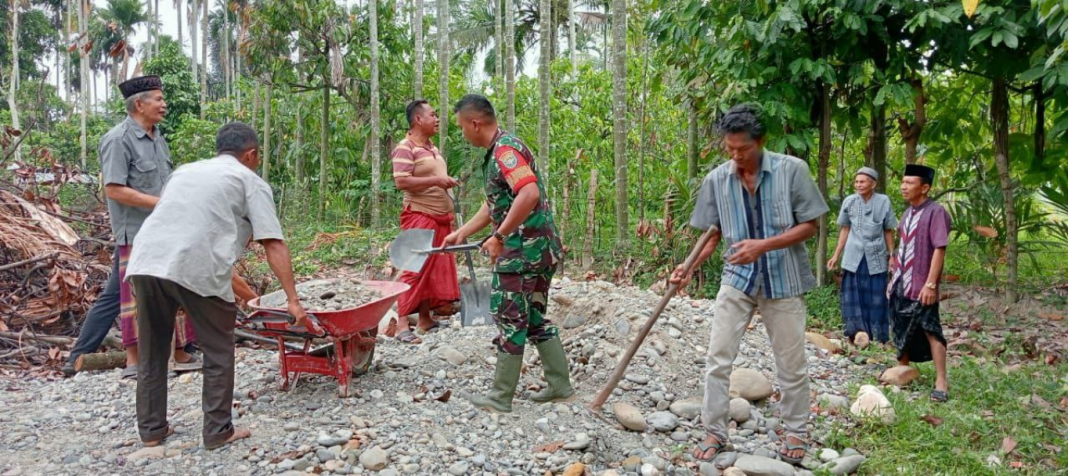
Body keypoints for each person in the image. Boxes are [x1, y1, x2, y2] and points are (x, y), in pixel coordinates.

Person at [125, 122, 310, 449]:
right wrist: (293, 301)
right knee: (218, 349)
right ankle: (217, 431)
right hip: (195, 264)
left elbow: (195, 233)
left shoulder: (184, 172)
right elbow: (274, 244)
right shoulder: (249, 181)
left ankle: (152, 430)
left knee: (153, 350)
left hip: (146, 260)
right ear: (251, 154)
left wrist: (252, 297)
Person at [669, 104, 828, 464]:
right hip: (737, 279)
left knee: (791, 364)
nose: (737, 156)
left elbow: (811, 226)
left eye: (743, 148)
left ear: (761, 141)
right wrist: (688, 266)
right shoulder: (717, 180)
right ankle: (714, 432)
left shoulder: (792, 171)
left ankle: (796, 434)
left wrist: (763, 245)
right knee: (717, 358)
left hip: (783, 280)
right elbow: (711, 235)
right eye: (730, 149)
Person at [62, 75, 199, 378]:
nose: (165, 104)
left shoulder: (158, 137)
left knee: (130, 293)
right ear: (139, 104)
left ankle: (80, 357)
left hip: (163, 231)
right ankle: (131, 361)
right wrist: (161, 204)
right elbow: (114, 189)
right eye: (159, 99)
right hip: (136, 234)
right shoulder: (117, 140)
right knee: (132, 298)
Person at [443, 94, 572, 412]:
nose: (462, 134)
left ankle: (501, 397)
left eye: (462, 127)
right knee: (531, 317)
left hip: (522, 252)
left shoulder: (504, 151)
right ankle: (559, 385)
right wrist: (463, 232)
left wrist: (498, 236)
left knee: (509, 317)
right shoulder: (503, 148)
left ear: (475, 123)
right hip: (539, 249)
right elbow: (496, 203)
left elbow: (528, 192)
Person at [389, 100, 461, 344]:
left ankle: (425, 318)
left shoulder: (432, 147)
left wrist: (445, 181)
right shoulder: (405, 147)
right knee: (414, 267)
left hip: (440, 217)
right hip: (420, 214)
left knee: (431, 270)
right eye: (433, 114)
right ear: (418, 119)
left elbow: (435, 176)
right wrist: (436, 182)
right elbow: (401, 181)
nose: (437, 118)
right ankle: (400, 324)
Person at [888, 164, 951, 402]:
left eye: (909, 183)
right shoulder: (907, 214)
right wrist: (893, 276)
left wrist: (931, 284)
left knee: (931, 329)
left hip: (922, 284)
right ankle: (903, 374)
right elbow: (903, 247)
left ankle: (941, 381)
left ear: (924, 188)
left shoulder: (936, 212)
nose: (903, 187)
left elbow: (939, 248)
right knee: (902, 326)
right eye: (903, 182)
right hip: (902, 282)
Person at [827, 167, 898, 347]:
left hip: (875, 255)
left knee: (876, 295)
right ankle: (855, 334)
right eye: (856, 181)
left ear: (873, 184)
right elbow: (845, 229)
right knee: (853, 293)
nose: (858, 185)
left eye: (862, 181)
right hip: (853, 255)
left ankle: (878, 336)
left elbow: (888, 230)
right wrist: (836, 255)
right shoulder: (849, 201)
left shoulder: (883, 201)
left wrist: (891, 255)